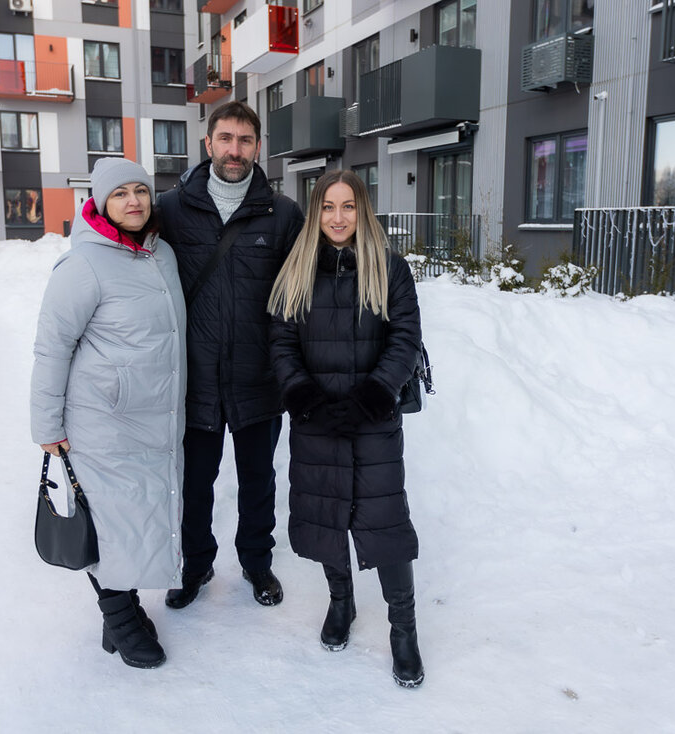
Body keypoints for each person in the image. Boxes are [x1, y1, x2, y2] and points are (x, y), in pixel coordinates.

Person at [267, 169, 425, 687]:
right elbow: (281, 342)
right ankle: (341, 602)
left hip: (373, 420)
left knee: (385, 523)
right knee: (326, 516)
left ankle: (404, 629)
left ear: (363, 210)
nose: (338, 217)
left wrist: (372, 396)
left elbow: (405, 338)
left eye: (349, 206)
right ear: (316, 212)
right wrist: (305, 397)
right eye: (329, 207)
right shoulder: (296, 269)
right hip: (317, 421)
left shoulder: (390, 268)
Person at [30, 158, 186, 670]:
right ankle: (120, 618)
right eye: (120, 193)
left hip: (155, 416)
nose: (133, 201)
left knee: (136, 518)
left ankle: (123, 612)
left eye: (140, 190)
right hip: (102, 420)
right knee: (110, 522)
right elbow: (52, 347)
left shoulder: (161, 254)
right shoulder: (83, 265)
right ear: (99, 202)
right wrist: (46, 425)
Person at [157, 101, 304, 609]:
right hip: (194, 379)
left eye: (244, 140)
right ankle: (195, 565)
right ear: (209, 143)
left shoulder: (283, 214)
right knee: (195, 483)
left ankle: (257, 563)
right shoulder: (171, 209)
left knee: (259, 481)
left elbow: (301, 295)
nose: (234, 150)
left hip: (258, 378)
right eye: (225, 138)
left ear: (258, 147)